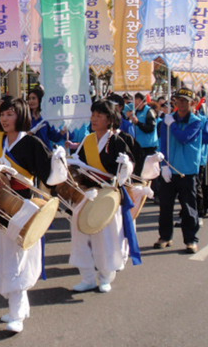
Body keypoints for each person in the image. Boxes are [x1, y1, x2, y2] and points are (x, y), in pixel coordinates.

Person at [0, 97, 66, 334]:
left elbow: (50, 178)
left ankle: (17, 312)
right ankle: (17, 306)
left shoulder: (32, 143)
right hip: (1, 204)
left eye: (10, 114)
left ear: (21, 116)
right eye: (2, 114)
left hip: (23, 205)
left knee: (18, 256)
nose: (5, 118)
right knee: (2, 255)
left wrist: (59, 160)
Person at [69, 100, 137, 293]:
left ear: (109, 119)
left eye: (99, 116)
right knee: (80, 233)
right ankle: (87, 277)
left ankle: (106, 276)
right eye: (93, 115)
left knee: (106, 237)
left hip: (108, 195)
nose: (95, 119)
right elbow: (79, 163)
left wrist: (126, 166)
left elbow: (128, 167)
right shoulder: (88, 140)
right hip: (88, 193)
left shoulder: (116, 140)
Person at [155, 89, 203, 253]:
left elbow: (184, 138)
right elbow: (164, 143)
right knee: (165, 206)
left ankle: (191, 239)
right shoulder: (167, 121)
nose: (181, 104)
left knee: (188, 207)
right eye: (178, 101)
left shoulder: (196, 121)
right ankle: (165, 236)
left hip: (187, 170)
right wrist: (164, 165)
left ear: (192, 103)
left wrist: (172, 125)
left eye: (185, 101)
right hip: (170, 169)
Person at [129, 92, 159, 157]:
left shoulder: (149, 111)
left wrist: (138, 123)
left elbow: (150, 128)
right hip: (139, 145)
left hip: (149, 146)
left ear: (141, 101)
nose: (134, 103)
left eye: (136, 100)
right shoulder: (136, 111)